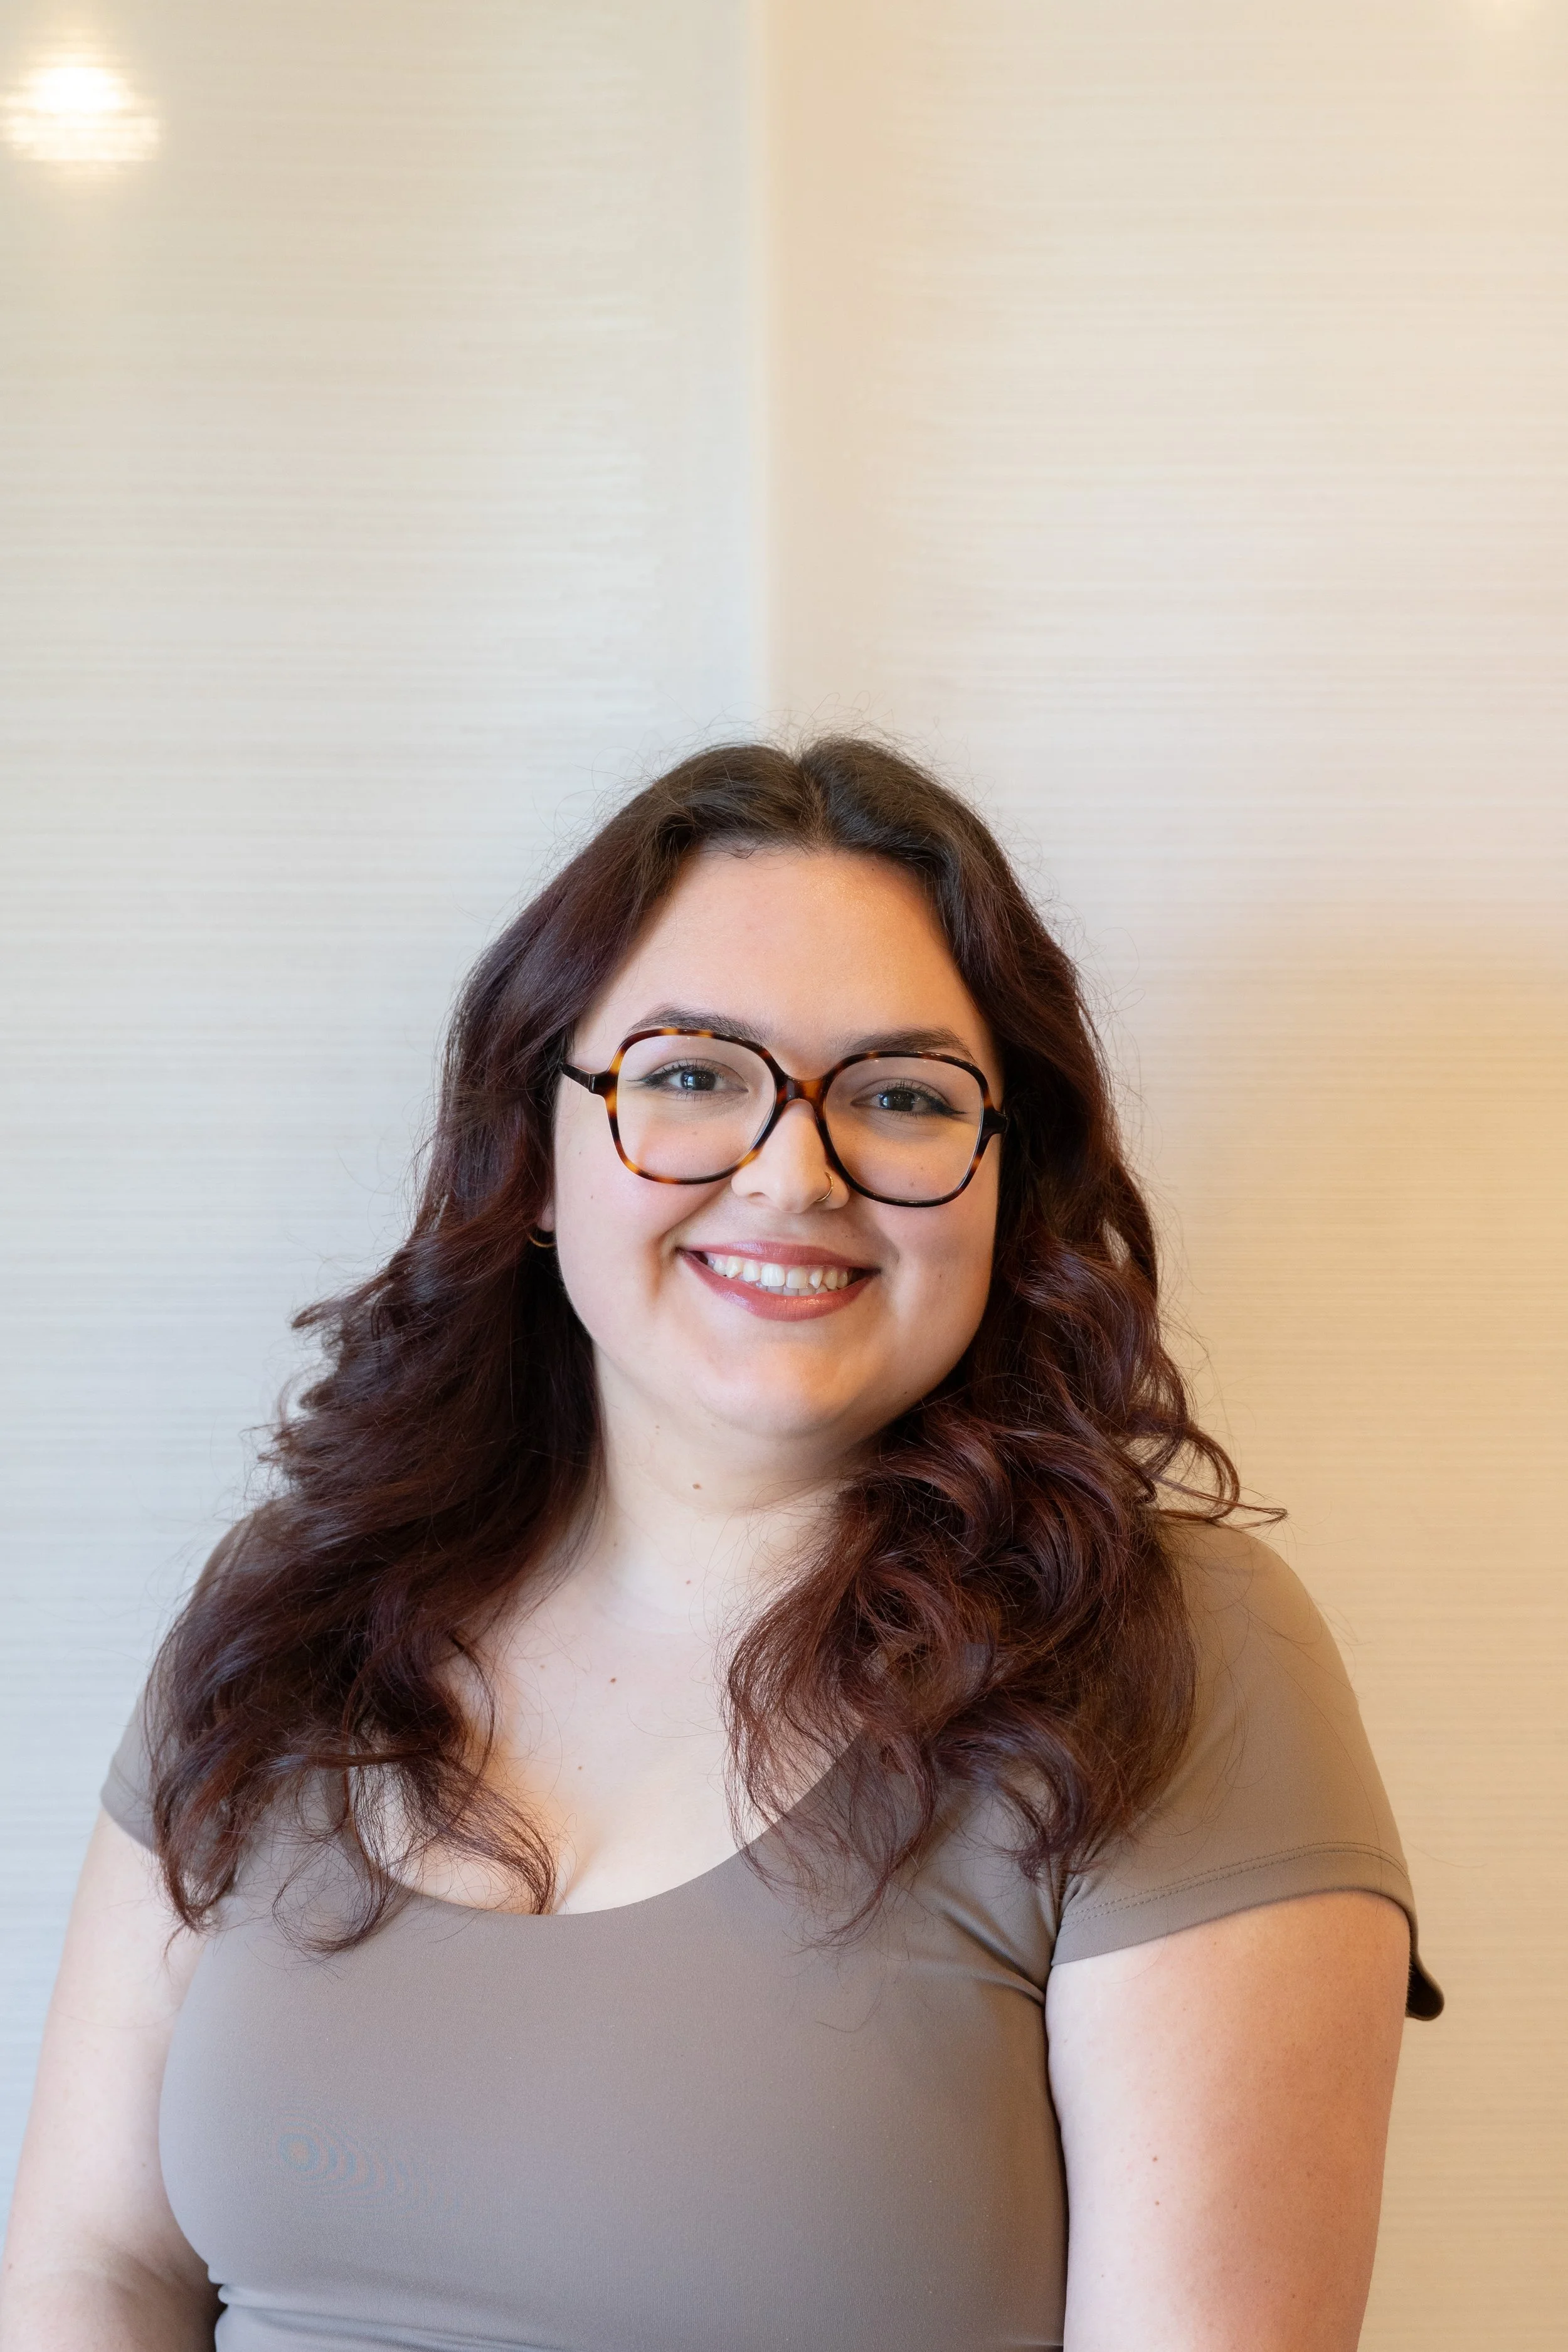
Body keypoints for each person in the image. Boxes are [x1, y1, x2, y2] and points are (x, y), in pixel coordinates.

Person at [1, 739, 1439, 2352]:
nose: (790, 1172)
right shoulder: (297, 1609)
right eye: (690, 1075)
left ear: (1001, 1185)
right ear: (533, 1151)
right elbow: (94, 2271)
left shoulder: (1163, 1655)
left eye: (898, 1098)